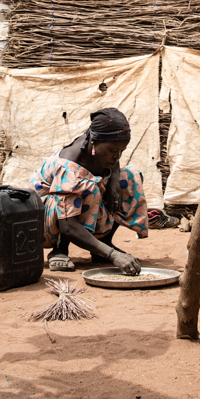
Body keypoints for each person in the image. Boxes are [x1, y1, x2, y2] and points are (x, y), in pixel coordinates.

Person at [30, 107, 149, 274]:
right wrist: (113, 256)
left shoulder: (97, 141)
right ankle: (60, 249)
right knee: (88, 187)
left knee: (129, 177)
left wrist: (114, 180)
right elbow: (68, 226)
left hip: (77, 198)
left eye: (121, 151)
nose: (117, 156)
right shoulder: (70, 168)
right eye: (113, 151)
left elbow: (113, 158)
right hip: (47, 216)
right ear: (94, 142)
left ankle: (103, 244)